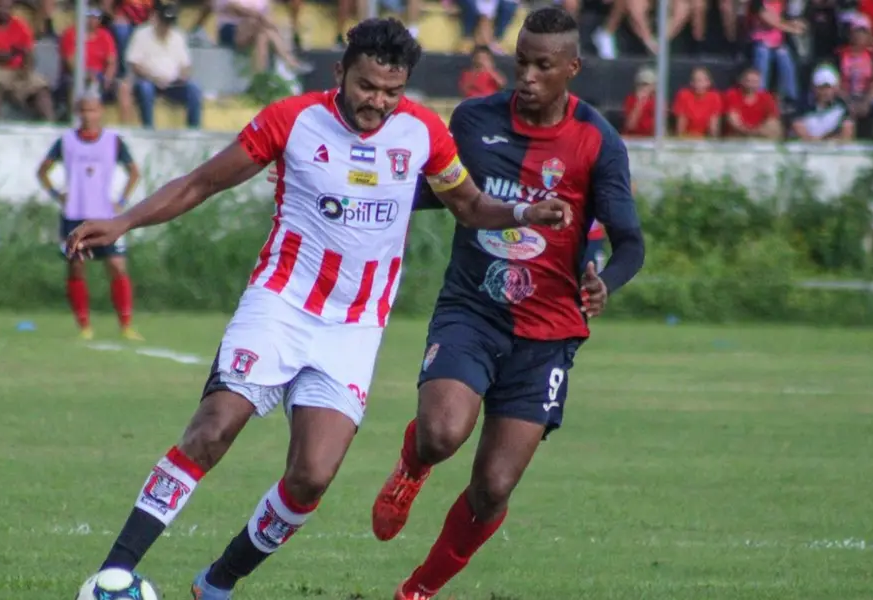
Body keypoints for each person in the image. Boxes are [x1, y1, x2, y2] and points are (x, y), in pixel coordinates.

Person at [63, 17, 571, 600]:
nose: (377, 101)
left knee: (311, 478)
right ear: (340, 73)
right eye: (366, 86)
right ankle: (113, 575)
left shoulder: (424, 133)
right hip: (279, 306)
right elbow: (202, 183)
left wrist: (523, 214)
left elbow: (470, 205)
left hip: (354, 329)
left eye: (390, 91)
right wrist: (123, 221)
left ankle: (216, 584)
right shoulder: (294, 120)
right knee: (213, 429)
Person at [367, 8, 646, 600]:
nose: (527, 75)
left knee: (493, 485)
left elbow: (631, 242)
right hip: (473, 308)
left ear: (572, 67)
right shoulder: (472, 120)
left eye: (543, 66)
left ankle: (416, 591)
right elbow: (431, 192)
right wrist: (352, 184)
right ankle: (412, 468)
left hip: (548, 332)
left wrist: (607, 281)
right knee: (442, 433)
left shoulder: (597, 141)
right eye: (521, 61)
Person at [37, 91, 142, 341]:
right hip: (75, 214)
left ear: (101, 111)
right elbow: (43, 170)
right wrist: (56, 193)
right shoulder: (66, 142)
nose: (88, 115)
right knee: (76, 268)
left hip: (106, 216)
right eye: (83, 110)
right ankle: (84, 326)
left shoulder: (113, 141)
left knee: (117, 266)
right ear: (77, 112)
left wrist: (123, 201)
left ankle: (126, 325)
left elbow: (134, 172)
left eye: (93, 110)